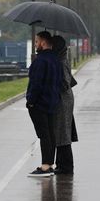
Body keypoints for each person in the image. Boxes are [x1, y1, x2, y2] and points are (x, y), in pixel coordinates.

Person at [26, 31, 63, 177]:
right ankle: (49, 163)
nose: (35, 45)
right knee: (50, 134)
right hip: (52, 102)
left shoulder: (40, 61)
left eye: (36, 42)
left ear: (42, 42)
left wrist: (30, 101)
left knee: (44, 135)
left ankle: (45, 166)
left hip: (39, 103)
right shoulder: (56, 60)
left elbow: (36, 84)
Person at [51, 35, 78, 175]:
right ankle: (61, 163)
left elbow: (65, 83)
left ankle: (66, 166)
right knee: (62, 132)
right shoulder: (61, 58)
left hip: (63, 100)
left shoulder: (60, 61)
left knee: (63, 132)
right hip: (65, 99)